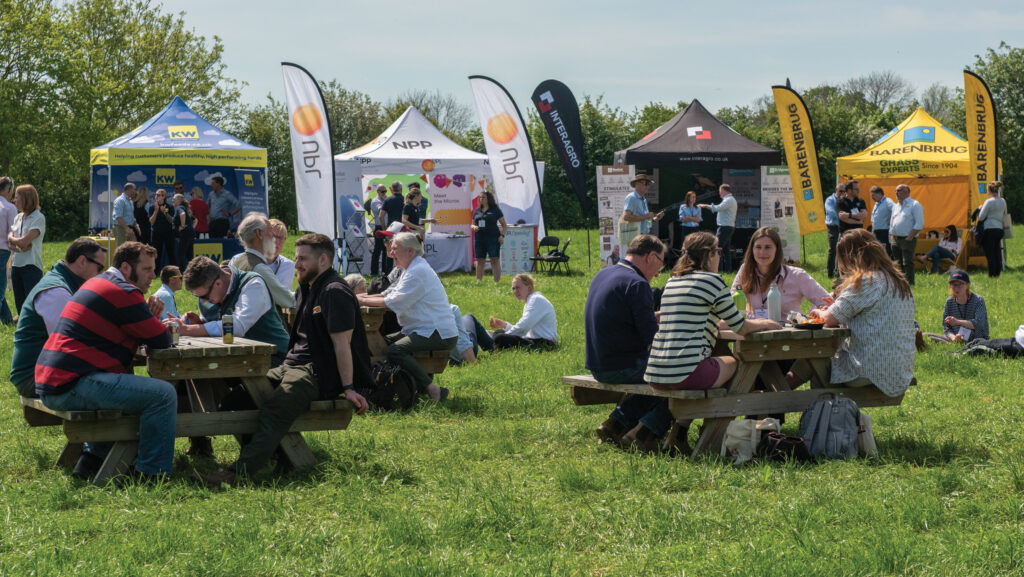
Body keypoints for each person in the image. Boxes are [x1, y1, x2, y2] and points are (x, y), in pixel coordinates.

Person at [196, 234, 370, 487]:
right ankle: (281, 457)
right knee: (236, 399)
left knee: (275, 408)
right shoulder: (307, 288)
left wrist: (349, 388)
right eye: (297, 258)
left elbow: (342, 344)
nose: (296, 264)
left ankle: (236, 475)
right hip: (291, 365)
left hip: (320, 371)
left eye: (303, 259)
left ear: (323, 259)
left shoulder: (335, 291)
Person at [35, 242, 175, 481]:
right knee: (163, 395)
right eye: (147, 269)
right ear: (125, 267)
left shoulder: (97, 283)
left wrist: (147, 319)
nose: (153, 275)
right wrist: (154, 318)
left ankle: (91, 463)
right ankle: (152, 474)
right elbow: (161, 340)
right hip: (71, 382)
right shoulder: (124, 292)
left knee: (125, 384)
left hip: (53, 379)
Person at [644, 232, 781, 448]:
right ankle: (711, 434)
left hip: (656, 371)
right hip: (684, 372)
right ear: (708, 255)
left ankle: (679, 434)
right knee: (737, 364)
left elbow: (706, 318)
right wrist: (766, 323)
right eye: (717, 251)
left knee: (713, 367)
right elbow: (741, 326)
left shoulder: (673, 281)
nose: (719, 256)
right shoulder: (711, 281)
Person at [787, 229, 916, 397]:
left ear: (851, 258)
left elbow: (827, 319)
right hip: (898, 371)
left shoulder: (866, 281)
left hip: (870, 370)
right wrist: (836, 308)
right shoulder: (899, 282)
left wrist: (819, 311)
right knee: (820, 360)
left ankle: (781, 398)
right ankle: (782, 395)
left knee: (817, 356)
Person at [586, 235, 678, 453]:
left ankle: (616, 424)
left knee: (661, 375)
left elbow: (625, 317)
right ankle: (646, 431)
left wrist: (654, 315)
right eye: (661, 264)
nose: (658, 273)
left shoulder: (604, 274)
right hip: (623, 366)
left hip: (598, 363)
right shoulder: (637, 284)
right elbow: (652, 340)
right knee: (683, 375)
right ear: (650, 256)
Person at [357, 232, 458, 401]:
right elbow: (386, 294)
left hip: (438, 333)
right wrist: (360, 298)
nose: (391, 253)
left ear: (410, 251)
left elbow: (391, 302)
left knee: (395, 350)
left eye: (396, 248)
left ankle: (432, 389)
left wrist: (359, 299)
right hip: (422, 329)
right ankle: (397, 387)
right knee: (382, 343)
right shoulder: (410, 269)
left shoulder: (417, 271)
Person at [9, 238, 107, 398]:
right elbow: (73, 342)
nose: (101, 274)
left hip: (47, 372)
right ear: (82, 261)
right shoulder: (57, 292)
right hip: (33, 377)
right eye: (99, 268)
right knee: (123, 389)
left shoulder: (65, 283)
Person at [176, 256, 291, 359]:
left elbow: (237, 327)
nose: (202, 301)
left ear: (218, 284)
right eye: (197, 296)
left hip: (276, 356)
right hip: (243, 357)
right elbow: (212, 329)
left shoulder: (253, 284)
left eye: (204, 296)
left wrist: (187, 330)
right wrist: (199, 324)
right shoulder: (210, 290)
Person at [731, 227, 830, 318]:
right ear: (752, 250)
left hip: (788, 335)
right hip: (754, 333)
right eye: (758, 247)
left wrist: (811, 315)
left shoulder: (798, 275)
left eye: (768, 247)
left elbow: (827, 302)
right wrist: (757, 321)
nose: (762, 252)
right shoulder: (745, 271)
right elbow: (730, 306)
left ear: (777, 250)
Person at [229, 213, 296, 309]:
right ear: (259, 234)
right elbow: (287, 300)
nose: (274, 239)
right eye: (270, 232)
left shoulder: (237, 261)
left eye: (280, 237)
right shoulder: (259, 268)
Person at [487, 273, 558, 349]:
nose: (515, 291)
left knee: (500, 338)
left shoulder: (536, 299)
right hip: (535, 340)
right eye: (513, 288)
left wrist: (506, 335)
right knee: (499, 332)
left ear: (529, 288)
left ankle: (491, 347)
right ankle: (492, 346)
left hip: (544, 343)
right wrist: (505, 325)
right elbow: (525, 332)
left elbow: (523, 327)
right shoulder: (531, 301)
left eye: (518, 287)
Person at [7, 184, 46, 312]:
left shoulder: (38, 218)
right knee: (20, 305)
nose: (14, 200)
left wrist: (17, 242)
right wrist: (17, 243)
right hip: (16, 266)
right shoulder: (18, 217)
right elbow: (11, 240)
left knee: (32, 306)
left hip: (31, 267)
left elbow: (23, 242)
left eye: (17, 197)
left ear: (26, 198)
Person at [923, 270, 988, 343]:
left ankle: (952, 346)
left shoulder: (978, 300)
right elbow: (946, 327)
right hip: (954, 339)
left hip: (976, 339)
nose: (956, 288)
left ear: (967, 285)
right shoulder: (949, 302)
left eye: (960, 284)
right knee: (924, 335)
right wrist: (954, 338)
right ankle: (952, 345)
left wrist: (957, 322)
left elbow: (978, 324)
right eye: (954, 285)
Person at [889, 183, 924, 286]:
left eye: (899, 190)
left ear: (907, 192)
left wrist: (910, 237)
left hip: (907, 238)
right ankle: (901, 283)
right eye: (896, 190)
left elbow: (919, 223)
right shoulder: (895, 206)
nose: (896, 192)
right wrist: (891, 235)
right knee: (898, 263)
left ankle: (910, 283)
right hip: (895, 239)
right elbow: (892, 222)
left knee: (907, 262)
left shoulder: (915, 204)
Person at [698, 184, 738, 272]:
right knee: (726, 250)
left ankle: (717, 269)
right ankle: (727, 270)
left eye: (720, 191)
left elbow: (716, 208)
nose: (719, 193)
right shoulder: (730, 200)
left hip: (724, 227)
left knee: (716, 248)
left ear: (724, 191)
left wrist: (704, 206)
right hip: (728, 227)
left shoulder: (728, 200)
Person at [620, 174, 664, 252]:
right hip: (634, 237)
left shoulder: (643, 199)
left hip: (642, 236)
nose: (647, 186)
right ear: (637, 184)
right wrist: (646, 216)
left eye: (648, 184)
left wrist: (655, 218)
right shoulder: (631, 197)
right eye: (645, 183)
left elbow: (645, 219)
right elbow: (626, 217)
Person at [472, 190, 508, 282]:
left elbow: (504, 225)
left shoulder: (495, 210)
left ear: (488, 199)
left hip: (493, 238)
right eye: (480, 197)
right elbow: (472, 224)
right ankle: (478, 281)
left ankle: (497, 282)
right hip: (479, 239)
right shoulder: (477, 211)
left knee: (494, 260)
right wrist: (474, 227)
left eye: (483, 197)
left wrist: (502, 236)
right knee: (480, 261)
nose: (481, 199)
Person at [976, 180, 1007, 277]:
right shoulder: (1003, 201)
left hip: (989, 228)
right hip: (999, 229)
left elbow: (981, 217)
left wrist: (980, 208)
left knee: (990, 254)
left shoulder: (988, 201)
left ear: (990, 190)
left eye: (987, 190)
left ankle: (992, 274)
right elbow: (1004, 214)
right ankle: (997, 273)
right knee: (997, 251)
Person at [0, 176, 17, 324]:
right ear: (10, 190)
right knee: (0, 288)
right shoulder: (10, 208)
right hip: (2, 250)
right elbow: (13, 231)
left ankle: (7, 320)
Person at [380, 181, 406, 275]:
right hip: (402, 229)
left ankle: (388, 273)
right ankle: (402, 271)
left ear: (392, 189)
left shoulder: (388, 200)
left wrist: (384, 229)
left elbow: (381, 216)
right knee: (402, 250)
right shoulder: (404, 200)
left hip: (391, 229)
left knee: (390, 251)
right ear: (401, 189)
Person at [148, 188, 176, 270]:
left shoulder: (170, 206)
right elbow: (151, 221)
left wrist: (165, 212)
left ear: (164, 196)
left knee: (170, 252)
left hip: (168, 232)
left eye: (158, 195)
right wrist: (156, 211)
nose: (156, 196)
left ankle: (174, 271)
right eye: (155, 194)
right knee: (156, 253)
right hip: (156, 233)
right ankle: (155, 272)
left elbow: (171, 220)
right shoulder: (152, 207)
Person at [267, 218, 295, 290]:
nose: (276, 242)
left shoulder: (288, 266)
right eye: (273, 236)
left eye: (280, 238)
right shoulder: (243, 261)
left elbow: (286, 296)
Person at [824, 184, 845, 278]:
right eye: (840, 191)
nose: (842, 193)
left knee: (842, 249)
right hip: (833, 227)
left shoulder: (844, 201)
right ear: (836, 190)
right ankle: (830, 271)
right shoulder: (830, 200)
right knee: (833, 249)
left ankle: (839, 272)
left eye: (844, 191)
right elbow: (832, 213)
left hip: (843, 226)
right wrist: (844, 216)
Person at [869, 185, 894, 257]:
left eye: (873, 195)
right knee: (878, 252)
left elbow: (895, 210)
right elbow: (874, 219)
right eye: (871, 195)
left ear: (880, 193)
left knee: (886, 252)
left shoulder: (888, 201)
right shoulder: (876, 204)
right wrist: (873, 231)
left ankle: (887, 267)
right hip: (877, 232)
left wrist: (891, 218)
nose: (872, 197)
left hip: (885, 232)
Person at [112, 182, 140, 246]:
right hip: (120, 228)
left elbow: (131, 216)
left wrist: (136, 225)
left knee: (134, 248)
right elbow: (118, 217)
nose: (136, 191)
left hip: (129, 228)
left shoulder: (130, 201)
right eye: (134, 189)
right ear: (129, 190)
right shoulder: (120, 200)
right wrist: (127, 229)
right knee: (122, 250)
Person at [369, 184, 388, 275]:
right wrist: (386, 201)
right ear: (378, 191)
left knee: (386, 249)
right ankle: (374, 271)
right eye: (382, 191)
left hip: (387, 226)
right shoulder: (375, 201)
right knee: (378, 250)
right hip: (379, 227)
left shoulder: (386, 200)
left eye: (385, 191)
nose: (384, 193)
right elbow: (381, 210)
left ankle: (385, 271)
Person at [173, 193, 195, 269]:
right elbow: (196, 220)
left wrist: (182, 225)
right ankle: (192, 271)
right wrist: (191, 228)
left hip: (185, 233)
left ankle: (185, 271)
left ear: (179, 200)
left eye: (174, 199)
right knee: (189, 255)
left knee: (181, 254)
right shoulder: (185, 208)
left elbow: (182, 214)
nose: (173, 200)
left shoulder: (179, 207)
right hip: (190, 233)